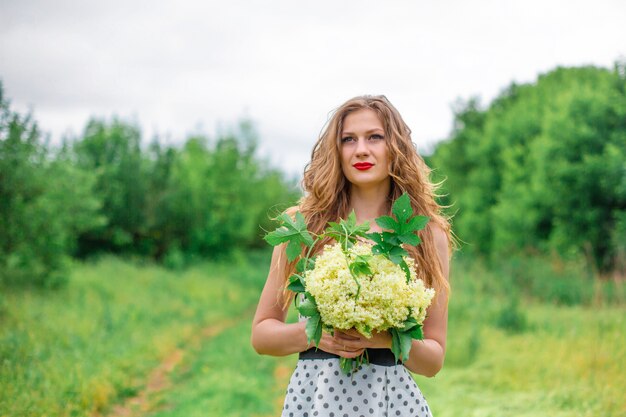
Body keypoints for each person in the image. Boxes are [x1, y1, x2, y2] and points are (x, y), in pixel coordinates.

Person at [251, 95, 452, 417]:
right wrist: (317, 335)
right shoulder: (305, 226)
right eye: (348, 139)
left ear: (395, 147)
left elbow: (433, 360)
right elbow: (262, 335)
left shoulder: (428, 235)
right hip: (317, 398)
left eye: (375, 137)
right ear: (337, 150)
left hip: (390, 402)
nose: (361, 149)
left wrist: (385, 338)